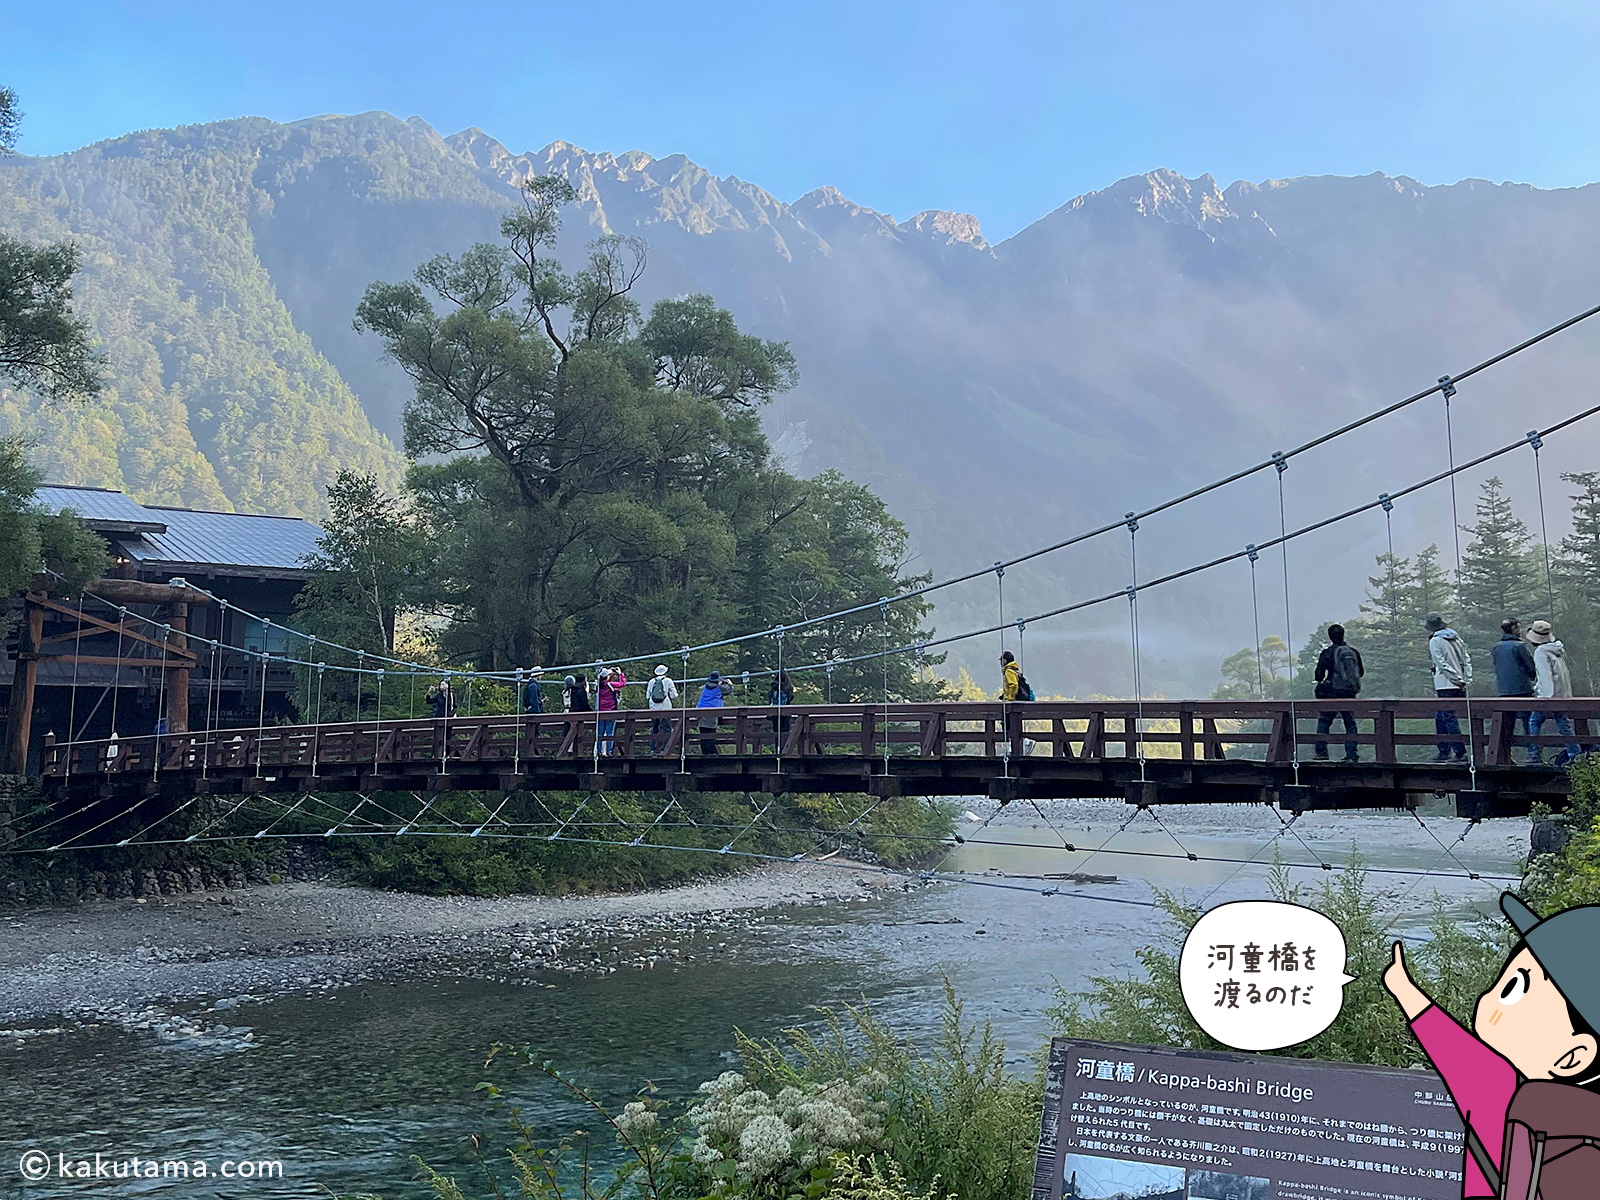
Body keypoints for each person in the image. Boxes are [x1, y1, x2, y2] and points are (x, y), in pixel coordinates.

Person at [1384, 893, 1600, 1199]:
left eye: (1514, 988)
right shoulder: (1507, 1089)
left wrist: (1405, 992)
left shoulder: (1515, 1102)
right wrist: (1405, 991)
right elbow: (1459, 1055)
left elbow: (1461, 1058)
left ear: (1572, 1057)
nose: (1490, 999)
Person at [1527, 620, 1581, 766]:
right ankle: (1575, 754)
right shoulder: (1557, 650)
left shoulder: (1541, 652)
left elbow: (1545, 676)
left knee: (1534, 721)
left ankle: (1534, 754)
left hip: (1549, 696)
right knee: (1564, 724)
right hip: (1563, 695)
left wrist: (1544, 697)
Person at [1312, 623, 1363, 762]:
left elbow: (1319, 676)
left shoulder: (1327, 653)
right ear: (1343, 634)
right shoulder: (1353, 652)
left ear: (1330, 637)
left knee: (1324, 722)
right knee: (1350, 724)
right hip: (1349, 693)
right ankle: (1352, 754)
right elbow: (1361, 673)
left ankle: (1322, 753)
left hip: (1332, 694)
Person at [1427, 613, 1471, 762]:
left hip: (1445, 685)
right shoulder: (1457, 639)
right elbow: (1466, 660)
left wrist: (1457, 680)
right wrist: (1465, 680)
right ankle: (1444, 749)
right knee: (1441, 716)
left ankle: (1459, 752)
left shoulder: (1435, 641)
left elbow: (1441, 664)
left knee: (1448, 717)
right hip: (1459, 683)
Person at [1493, 617, 1538, 762]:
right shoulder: (1519, 646)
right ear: (1514, 629)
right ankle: (1533, 754)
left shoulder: (1496, 648)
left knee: (1507, 725)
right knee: (1529, 722)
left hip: (1504, 692)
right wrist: (1533, 677)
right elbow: (1530, 668)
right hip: (1523, 690)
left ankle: (1506, 756)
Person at [998, 651, 1036, 754]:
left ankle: (1019, 745)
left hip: (1012, 703)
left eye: (1001, 660)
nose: (1000, 662)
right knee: (1013, 724)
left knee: (1007, 724)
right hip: (1017, 702)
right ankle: (1020, 744)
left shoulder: (1008, 671)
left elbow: (1013, 685)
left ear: (1005, 660)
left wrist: (1009, 698)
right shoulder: (1015, 670)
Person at [646, 664, 678, 754]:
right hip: (665, 707)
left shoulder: (651, 681)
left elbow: (648, 695)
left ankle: (653, 748)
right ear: (666, 672)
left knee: (654, 728)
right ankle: (665, 748)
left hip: (653, 707)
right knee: (666, 728)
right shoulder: (668, 680)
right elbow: (673, 695)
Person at [595, 665, 626, 755]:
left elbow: (606, 680)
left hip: (600, 711)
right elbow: (622, 684)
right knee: (610, 733)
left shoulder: (598, 686)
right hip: (610, 711)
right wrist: (620, 674)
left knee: (600, 733)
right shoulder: (610, 685)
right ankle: (609, 751)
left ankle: (599, 751)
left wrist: (610, 673)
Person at [696, 671, 725, 756]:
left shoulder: (705, 687)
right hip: (712, 711)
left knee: (703, 732)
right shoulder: (720, 688)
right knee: (711, 731)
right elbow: (730, 688)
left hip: (700, 710)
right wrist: (728, 682)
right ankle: (711, 752)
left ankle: (704, 752)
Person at [769, 670, 795, 751]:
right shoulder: (788, 688)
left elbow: (770, 699)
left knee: (777, 733)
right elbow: (789, 699)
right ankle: (784, 750)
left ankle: (777, 750)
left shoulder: (774, 688)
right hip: (785, 714)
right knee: (785, 733)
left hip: (775, 714)